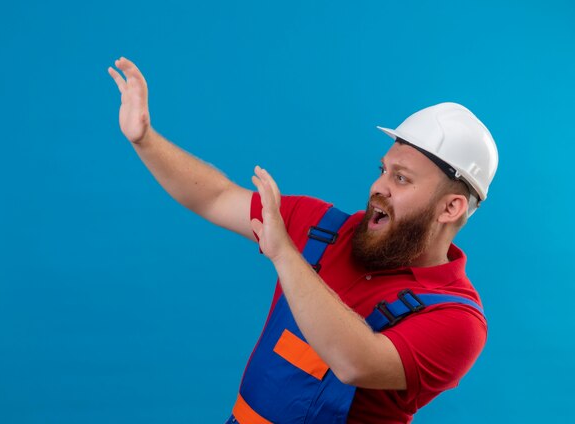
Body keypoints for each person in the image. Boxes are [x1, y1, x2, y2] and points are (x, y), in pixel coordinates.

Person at [108, 57, 498, 424]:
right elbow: (216, 196)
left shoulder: (456, 319)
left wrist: (284, 254)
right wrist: (145, 140)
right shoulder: (322, 229)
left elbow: (355, 362)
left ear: (451, 208)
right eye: (383, 170)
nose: (378, 187)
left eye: (401, 178)